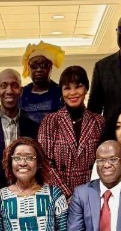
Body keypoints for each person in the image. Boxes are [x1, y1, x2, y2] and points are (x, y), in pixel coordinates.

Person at [39, 66, 105, 199]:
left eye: (78, 86)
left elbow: (104, 161)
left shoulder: (99, 121)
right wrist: (67, 195)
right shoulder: (50, 121)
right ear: (61, 92)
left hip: (92, 195)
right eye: (67, 88)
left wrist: (89, 195)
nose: (73, 93)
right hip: (58, 197)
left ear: (86, 89)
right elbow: (44, 163)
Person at [20, 41, 65, 123]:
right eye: (34, 66)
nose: (39, 69)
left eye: (44, 65)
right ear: (28, 68)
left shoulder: (61, 92)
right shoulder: (22, 93)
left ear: (51, 67)